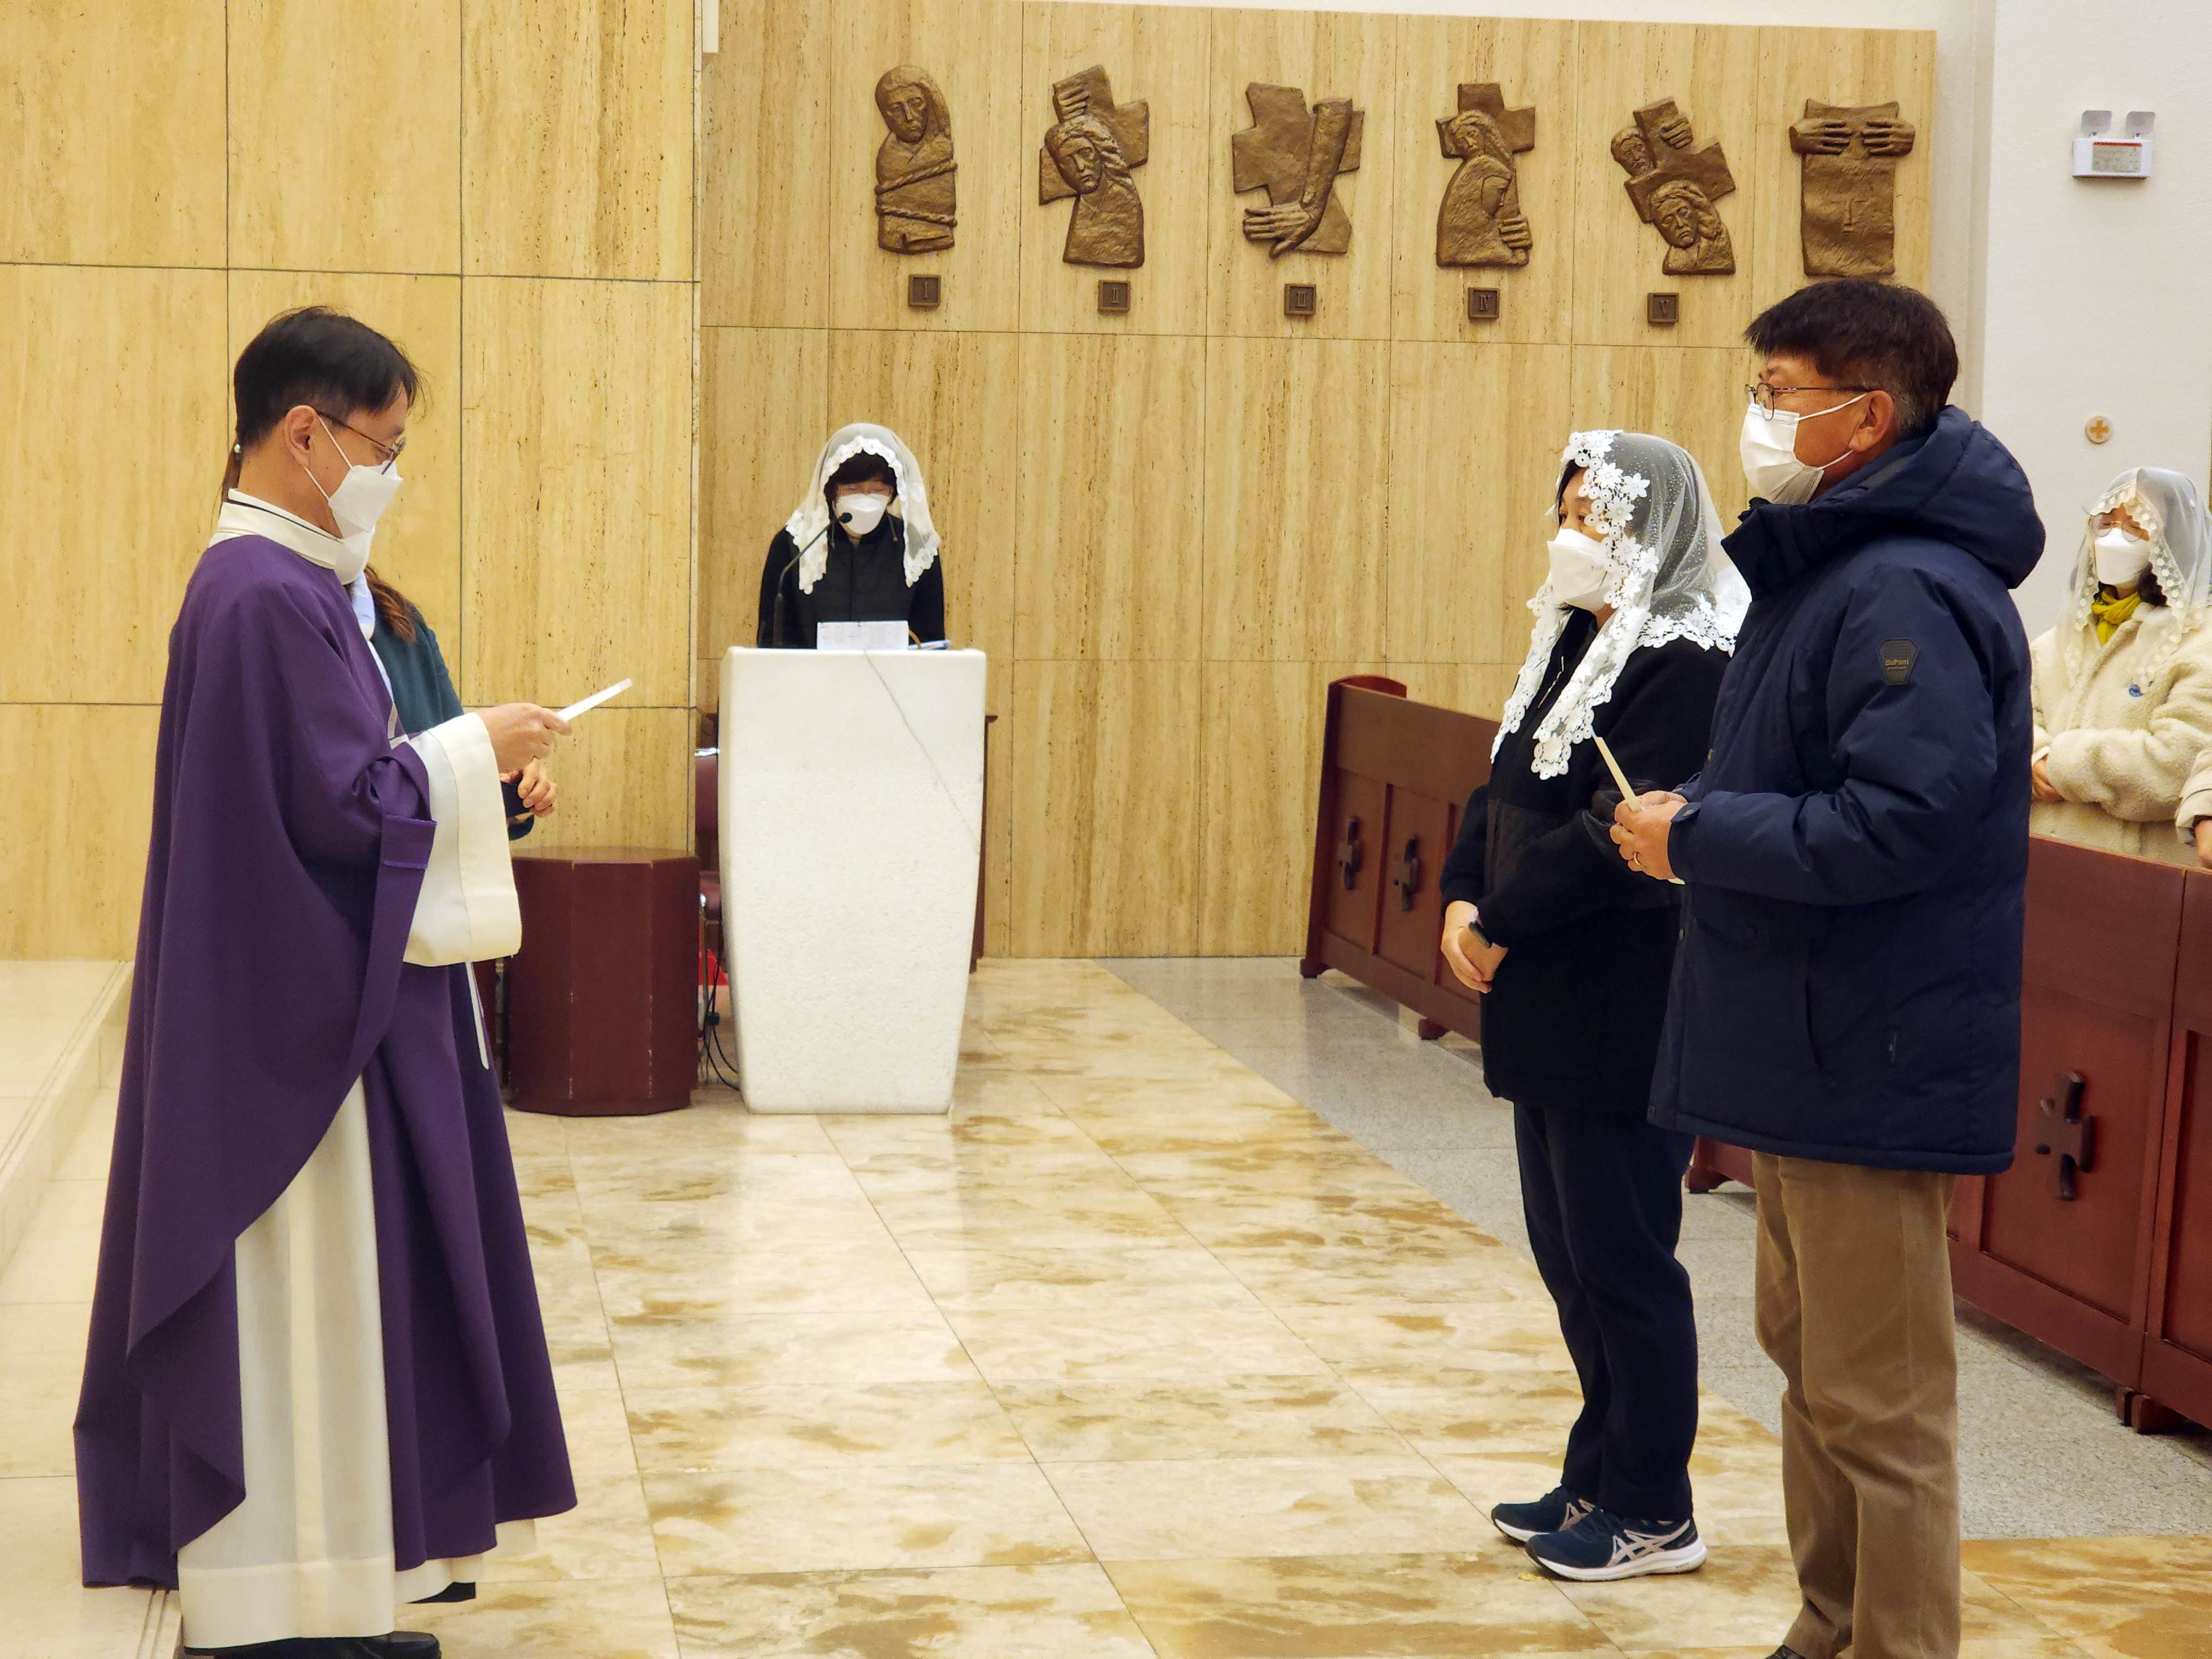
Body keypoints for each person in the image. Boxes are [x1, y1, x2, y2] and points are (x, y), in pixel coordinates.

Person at [75, 306, 577, 1657]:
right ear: (306, 433)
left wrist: (464, 764)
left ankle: (330, 1584)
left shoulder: (285, 583)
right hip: (289, 1033)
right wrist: (474, 747)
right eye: (383, 447)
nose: (389, 476)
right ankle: (282, 1603)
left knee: (334, 1316)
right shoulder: (263, 594)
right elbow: (342, 811)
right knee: (299, 1307)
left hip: (303, 1007)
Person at [1611, 280, 2042, 1659]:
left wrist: (1696, 839)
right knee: (1815, 1373)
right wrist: (1697, 808)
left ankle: (1896, 1641)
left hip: (1872, 1043)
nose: (1757, 419)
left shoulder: (1905, 582)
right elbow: (1797, 774)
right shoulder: (1830, 565)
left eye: (1778, 395)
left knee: (1882, 1401)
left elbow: (1899, 822)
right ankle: (1830, 1623)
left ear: (1863, 418)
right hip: (1803, 1038)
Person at [1439, 430, 1746, 1582]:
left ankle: (1653, 1508)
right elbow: (1505, 779)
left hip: (1622, 988)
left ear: (1652, 531)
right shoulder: (1575, 633)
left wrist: (1502, 918)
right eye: (1566, 513)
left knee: (1625, 1262)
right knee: (1569, 1257)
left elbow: (1617, 829)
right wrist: (1461, 893)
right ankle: (1597, 1472)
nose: (1573, 536)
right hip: (1544, 986)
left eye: (1596, 518)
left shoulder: (1686, 658)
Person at [2028, 467, 2212, 865]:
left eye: (2136, 527)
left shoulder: (2199, 641)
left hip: (2136, 874)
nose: (2114, 538)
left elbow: (2181, 763)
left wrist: (2064, 765)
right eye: (2107, 524)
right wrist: (2032, 757)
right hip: (2043, 859)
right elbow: (2010, 717)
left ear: (2172, 542)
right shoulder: (2060, 638)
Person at [354, 566, 559, 838]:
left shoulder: (399, 621)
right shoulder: (304, 623)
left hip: (429, 855)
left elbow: (456, 764)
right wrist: (473, 746)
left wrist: (508, 781)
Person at [757, 423, 946, 649]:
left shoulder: (917, 549)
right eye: (852, 489)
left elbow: (931, 640)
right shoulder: (795, 544)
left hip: (894, 672)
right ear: (831, 489)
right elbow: (772, 639)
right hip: (809, 671)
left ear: (893, 491)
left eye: (878, 490)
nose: (865, 498)